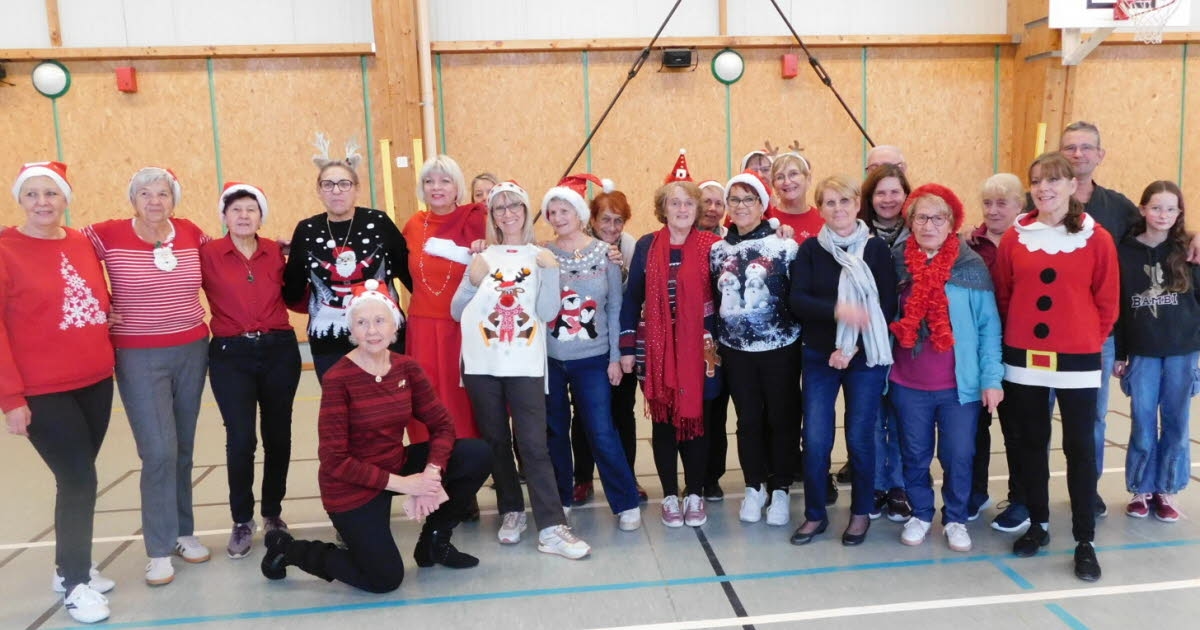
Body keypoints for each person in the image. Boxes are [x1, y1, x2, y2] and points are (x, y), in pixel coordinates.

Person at [261, 281, 491, 591]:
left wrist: (431, 476)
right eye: (362, 322)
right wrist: (407, 484)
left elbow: (443, 425)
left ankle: (435, 542)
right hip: (350, 486)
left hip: (394, 464)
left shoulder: (407, 368)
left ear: (394, 325)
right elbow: (334, 460)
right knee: (384, 578)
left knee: (476, 454)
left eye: (380, 320)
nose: (372, 330)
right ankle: (290, 549)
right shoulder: (338, 379)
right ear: (351, 331)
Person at [84, 167, 212, 586]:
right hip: (138, 354)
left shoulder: (191, 233)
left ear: (174, 199)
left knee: (183, 446)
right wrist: (99, 304)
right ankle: (158, 548)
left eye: (163, 193)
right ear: (132, 198)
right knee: (158, 450)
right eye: (145, 193)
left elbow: (229, 257)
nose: (154, 201)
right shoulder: (107, 234)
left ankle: (182, 531)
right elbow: (65, 259)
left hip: (193, 348)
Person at [993, 152, 1118, 582]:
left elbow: (1107, 302)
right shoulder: (1015, 237)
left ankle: (1085, 539)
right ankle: (1040, 526)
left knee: (1079, 448)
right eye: (1037, 181)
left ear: (1071, 186)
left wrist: (1083, 340)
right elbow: (1006, 295)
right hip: (1023, 357)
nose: (1044, 188)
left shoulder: (1095, 237)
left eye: (1053, 180)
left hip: (1079, 358)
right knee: (1030, 442)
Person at [451, 181, 592, 558]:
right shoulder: (480, 255)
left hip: (526, 363)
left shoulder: (540, 256)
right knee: (495, 440)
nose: (508, 212)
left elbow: (547, 314)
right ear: (492, 216)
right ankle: (511, 510)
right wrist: (472, 280)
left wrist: (550, 274)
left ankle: (551, 526)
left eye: (515, 205)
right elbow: (455, 310)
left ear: (527, 212)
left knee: (533, 444)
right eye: (500, 207)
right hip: (482, 363)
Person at [2, 162, 115, 624]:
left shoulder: (80, 242)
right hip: (43, 390)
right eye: (33, 194)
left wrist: (110, 319)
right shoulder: (5, 249)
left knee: (79, 476)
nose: (43, 202)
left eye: (51, 193)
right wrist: (11, 399)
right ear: (20, 200)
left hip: (95, 380)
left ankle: (66, 564)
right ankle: (75, 584)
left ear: (65, 198)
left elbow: (91, 297)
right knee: (78, 480)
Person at [887, 184, 1003, 553]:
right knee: (914, 453)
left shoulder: (971, 266)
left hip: (959, 386)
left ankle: (955, 517)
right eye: (921, 217)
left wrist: (992, 378)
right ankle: (921, 512)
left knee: (958, 454)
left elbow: (988, 327)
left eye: (938, 217)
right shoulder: (896, 262)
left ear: (952, 223)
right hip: (908, 381)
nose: (929, 224)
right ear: (911, 222)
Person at [788, 175, 897, 546]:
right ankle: (815, 514)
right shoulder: (810, 251)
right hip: (820, 356)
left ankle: (861, 512)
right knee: (816, 438)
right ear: (820, 209)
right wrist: (840, 312)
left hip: (865, 356)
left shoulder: (876, 250)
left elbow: (885, 306)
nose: (838, 209)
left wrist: (850, 347)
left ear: (857, 205)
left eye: (845, 201)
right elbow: (798, 300)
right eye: (830, 203)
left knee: (860, 436)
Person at [201, 182, 301, 559]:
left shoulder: (277, 252)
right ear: (224, 216)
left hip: (278, 350)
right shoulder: (207, 253)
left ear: (261, 216)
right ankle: (241, 519)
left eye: (251, 209)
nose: (243, 216)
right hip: (230, 354)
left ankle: (273, 513)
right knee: (241, 439)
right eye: (236, 210)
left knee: (279, 436)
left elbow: (299, 292)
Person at [620, 169, 723, 529]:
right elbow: (632, 298)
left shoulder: (712, 246)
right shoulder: (647, 246)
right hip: (656, 348)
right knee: (663, 421)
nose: (681, 208)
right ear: (663, 208)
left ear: (697, 208)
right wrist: (627, 347)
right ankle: (668, 494)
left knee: (698, 422)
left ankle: (694, 492)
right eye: (674, 202)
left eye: (688, 202)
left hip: (702, 348)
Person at [542, 175, 643, 534]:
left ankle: (625, 500)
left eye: (564, 209)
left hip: (594, 359)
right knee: (555, 431)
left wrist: (616, 356)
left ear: (580, 213)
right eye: (551, 212)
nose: (558, 217)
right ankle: (562, 499)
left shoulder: (607, 256)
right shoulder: (543, 255)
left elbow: (616, 308)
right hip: (552, 361)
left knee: (602, 430)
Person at [710, 171, 801, 527]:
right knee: (747, 420)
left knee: (781, 418)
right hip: (736, 351)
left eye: (749, 199)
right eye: (735, 200)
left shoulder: (785, 247)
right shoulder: (718, 251)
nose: (741, 206)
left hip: (781, 348)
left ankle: (780, 487)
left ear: (763, 205)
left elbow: (797, 296)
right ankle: (754, 485)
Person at [283, 138, 412, 380]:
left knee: (388, 406)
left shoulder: (379, 223)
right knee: (341, 411)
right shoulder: (307, 230)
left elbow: (408, 272)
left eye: (344, 183)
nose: (336, 191)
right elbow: (292, 290)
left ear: (356, 188)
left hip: (383, 337)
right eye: (328, 184)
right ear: (319, 190)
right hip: (329, 341)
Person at [1114, 181, 1200, 523]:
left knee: (1177, 423)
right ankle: (1141, 489)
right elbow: (1118, 307)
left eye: (1170, 209)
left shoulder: (1188, 251)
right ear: (1142, 209)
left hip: (1183, 352)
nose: (1163, 215)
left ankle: (1167, 490)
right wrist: (1120, 353)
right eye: (1156, 207)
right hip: (1143, 353)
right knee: (1143, 423)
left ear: (1179, 214)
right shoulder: (1125, 252)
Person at [572, 185, 649, 504]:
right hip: (587, 341)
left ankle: (627, 477)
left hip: (620, 341)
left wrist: (621, 269)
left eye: (619, 221)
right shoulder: (578, 245)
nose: (612, 228)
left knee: (622, 412)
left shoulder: (628, 246)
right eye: (606, 220)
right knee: (584, 413)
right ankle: (582, 479)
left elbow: (634, 295)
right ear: (592, 219)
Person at [404, 154, 486, 447]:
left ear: (457, 187)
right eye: (429, 181)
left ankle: (467, 470)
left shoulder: (475, 218)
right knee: (425, 400)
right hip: (422, 327)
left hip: (462, 326)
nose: (436, 187)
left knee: (462, 401)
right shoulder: (413, 225)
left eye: (444, 180)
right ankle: (429, 469)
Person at [963, 174, 1029, 532]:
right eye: (987, 203)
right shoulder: (968, 245)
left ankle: (1022, 498)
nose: (993, 210)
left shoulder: (1032, 243)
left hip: (1020, 350)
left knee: (1018, 429)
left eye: (1002, 203)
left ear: (1021, 204)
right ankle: (976, 491)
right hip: (977, 350)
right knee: (976, 427)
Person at [857, 162, 913, 521]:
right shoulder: (856, 235)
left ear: (907, 195)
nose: (888, 199)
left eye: (895, 191)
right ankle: (874, 485)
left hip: (909, 342)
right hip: (868, 342)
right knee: (872, 418)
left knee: (905, 417)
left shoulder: (922, 229)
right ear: (870, 198)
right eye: (881, 192)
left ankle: (899, 486)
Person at [696, 178, 732, 501]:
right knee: (701, 412)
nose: (712, 208)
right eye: (705, 201)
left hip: (729, 342)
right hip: (695, 341)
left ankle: (713, 477)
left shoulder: (730, 242)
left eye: (718, 203)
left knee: (719, 413)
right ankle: (696, 475)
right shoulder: (680, 241)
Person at [769, 152, 825, 243]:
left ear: (808, 179)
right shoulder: (766, 220)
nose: (787, 182)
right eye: (780, 177)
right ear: (774, 186)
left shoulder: (824, 219)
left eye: (793, 174)